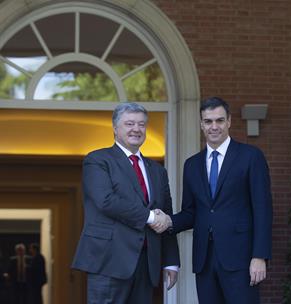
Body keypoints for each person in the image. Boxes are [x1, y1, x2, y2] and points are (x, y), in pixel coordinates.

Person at [152, 97, 273, 304]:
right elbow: (191, 212)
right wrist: (169, 221)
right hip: (205, 260)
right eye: (208, 121)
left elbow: (263, 210)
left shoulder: (251, 157)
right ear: (201, 124)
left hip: (241, 260)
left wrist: (259, 256)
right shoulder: (192, 165)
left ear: (229, 122)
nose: (214, 126)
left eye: (219, 120)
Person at [71, 102, 180, 303]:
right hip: (109, 260)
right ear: (115, 127)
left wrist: (171, 261)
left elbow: (166, 214)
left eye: (141, 124)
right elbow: (106, 201)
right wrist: (149, 217)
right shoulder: (98, 160)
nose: (136, 129)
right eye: (129, 123)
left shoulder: (157, 170)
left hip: (147, 262)